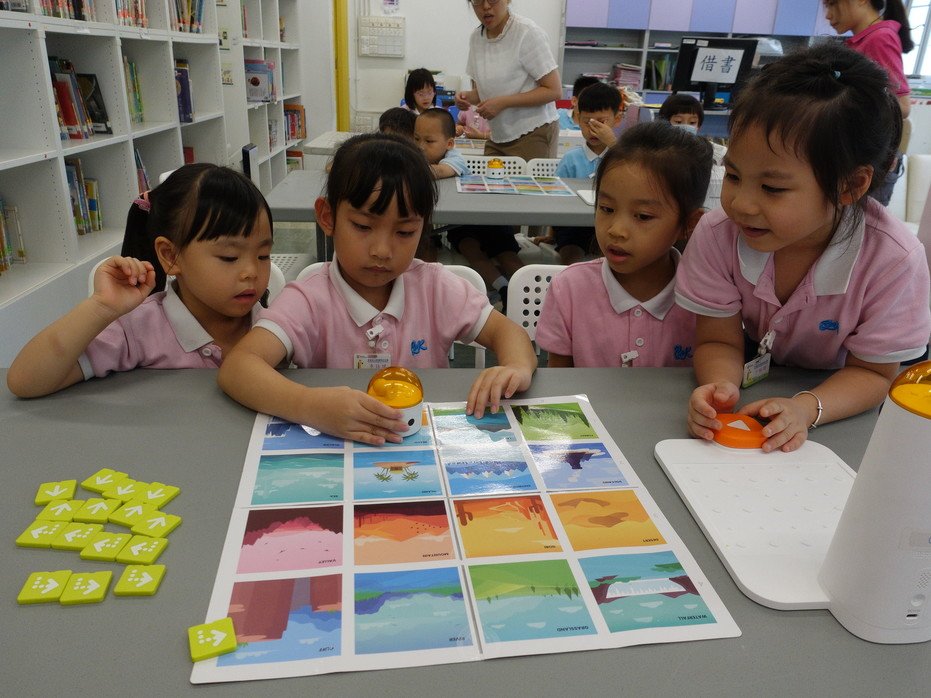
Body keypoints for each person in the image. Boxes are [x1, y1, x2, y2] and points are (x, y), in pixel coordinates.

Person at [676, 43, 931, 454]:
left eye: (772, 187)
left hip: (841, 408)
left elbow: (874, 375)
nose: (741, 204)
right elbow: (719, 341)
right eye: (734, 176)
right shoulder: (719, 233)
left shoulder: (893, 261)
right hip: (761, 387)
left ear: (849, 186)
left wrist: (806, 408)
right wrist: (720, 387)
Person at [217, 133, 537, 446]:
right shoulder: (309, 299)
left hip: (423, 447)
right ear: (328, 217)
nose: (382, 250)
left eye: (405, 231)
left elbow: (508, 332)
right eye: (363, 226)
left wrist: (516, 367)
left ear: (423, 227)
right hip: (339, 451)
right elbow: (238, 368)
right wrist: (310, 406)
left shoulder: (435, 287)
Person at [7, 164, 274, 398]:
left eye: (263, 255)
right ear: (170, 256)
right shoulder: (138, 330)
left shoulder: (274, 323)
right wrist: (101, 307)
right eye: (229, 257)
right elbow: (25, 381)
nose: (251, 271)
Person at [536, 121, 711, 368]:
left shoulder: (706, 296)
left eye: (643, 216)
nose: (616, 230)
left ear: (689, 224)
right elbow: (559, 380)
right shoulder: (570, 288)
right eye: (606, 208)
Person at [823, 0, 913, 206]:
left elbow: (902, 105)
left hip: (871, 161)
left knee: (858, 223)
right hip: (857, 157)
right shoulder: (863, 41)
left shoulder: (879, 38)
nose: (828, 15)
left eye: (833, 4)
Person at [455, 0, 562, 161]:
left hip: (532, 131)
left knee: (526, 179)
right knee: (487, 177)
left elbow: (554, 90)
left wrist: (503, 103)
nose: (485, 6)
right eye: (477, 0)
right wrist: (467, 97)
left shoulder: (527, 32)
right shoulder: (476, 38)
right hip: (498, 135)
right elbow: (485, 93)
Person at [548, 82, 623, 265]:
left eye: (601, 122)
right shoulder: (571, 158)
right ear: (577, 119)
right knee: (571, 250)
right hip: (573, 225)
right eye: (587, 122)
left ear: (617, 120)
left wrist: (614, 145)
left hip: (610, 223)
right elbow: (555, 197)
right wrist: (550, 234)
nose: (593, 129)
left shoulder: (622, 156)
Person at [657, 93, 727, 165]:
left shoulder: (708, 152)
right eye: (678, 121)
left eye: (692, 122)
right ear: (664, 123)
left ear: (699, 127)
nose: (685, 126)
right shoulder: (657, 152)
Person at [414, 108, 470, 179]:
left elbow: (440, 171)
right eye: (417, 139)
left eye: (429, 141)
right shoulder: (418, 154)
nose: (420, 146)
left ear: (449, 144)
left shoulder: (455, 158)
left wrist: (409, 170)